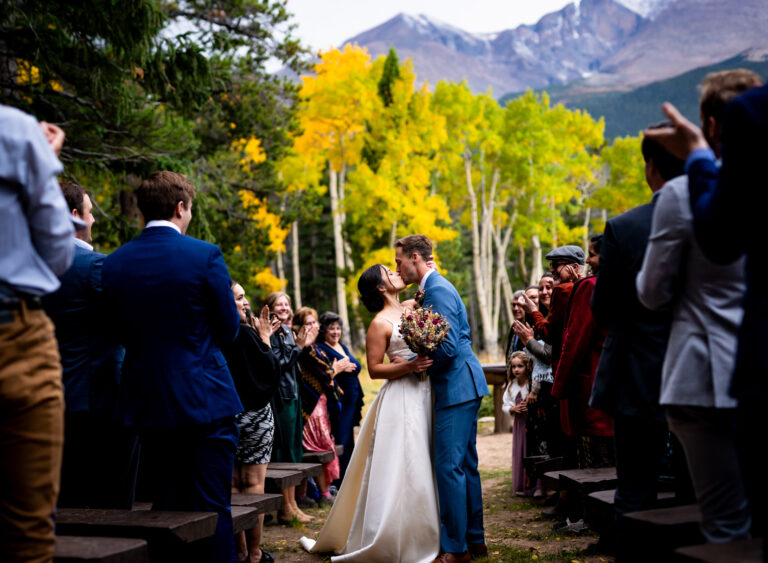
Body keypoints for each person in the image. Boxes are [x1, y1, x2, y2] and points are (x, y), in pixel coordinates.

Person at [636, 70, 760, 544]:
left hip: (703, 371)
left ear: (709, 125)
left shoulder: (683, 194)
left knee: (726, 524)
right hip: (758, 368)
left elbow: (651, 292)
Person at [102, 170, 242, 562]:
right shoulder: (204, 256)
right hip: (204, 402)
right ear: (181, 207)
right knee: (212, 507)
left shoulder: (114, 264)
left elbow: (114, 330)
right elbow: (230, 329)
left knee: (162, 508)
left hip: (145, 402)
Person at [589, 127, 685, 559]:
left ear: (650, 168)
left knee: (635, 487)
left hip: (637, 374)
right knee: (704, 486)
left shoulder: (625, 227)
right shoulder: (722, 216)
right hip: (706, 370)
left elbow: (603, 309)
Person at [301, 264, 438, 562]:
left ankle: (431, 529)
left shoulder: (409, 307)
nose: (395, 272)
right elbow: (375, 369)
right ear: (380, 286)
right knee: (403, 463)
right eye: (389, 272)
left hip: (425, 393)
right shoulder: (379, 323)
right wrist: (410, 366)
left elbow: (426, 290)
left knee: (425, 458)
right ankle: (392, 534)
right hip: (400, 396)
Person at [1, 105, 74, 563]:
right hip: (14, 338)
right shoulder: (13, 129)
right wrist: (40, 160)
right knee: (27, 531)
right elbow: (55, 249)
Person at [42, 181, 139, 510]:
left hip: (47, 398)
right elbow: (129, 325)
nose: (94, 220)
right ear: (74, 216)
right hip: (100, 400)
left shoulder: (32, 267)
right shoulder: (96, 267)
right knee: (112, 500)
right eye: (90, 212)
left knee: (64, 499)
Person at [395, 235, 490, 563]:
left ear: (416, 258)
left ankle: (456, 549)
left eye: (399, 261)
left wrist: (414, 356)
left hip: (456, 386)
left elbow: (447, 348)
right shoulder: (431, 289)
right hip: (463, 384)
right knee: (465, 465)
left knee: (449, 467)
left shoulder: (436, 290)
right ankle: (475, 540)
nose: (398, 267)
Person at [222, 282, 280, 563]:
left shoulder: (216, 333)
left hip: (226, 416)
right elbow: (269, 371)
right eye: (240, 298)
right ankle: (255, 553)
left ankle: (239, 550)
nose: (246, 303)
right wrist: (266, 338)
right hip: (255, 416)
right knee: (254, 484)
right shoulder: (247, 333)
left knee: (232, 485)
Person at [554, 234, 613, 469]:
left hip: (592, 381)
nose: (588, 261)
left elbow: (575, 339)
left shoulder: (590, 287)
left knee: (593, 456)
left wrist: (560, 386)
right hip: (620, 383)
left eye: (592, 254)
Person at [267, 291, 316, 523]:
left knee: (295, 448)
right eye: (279, 304)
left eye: (287, 303)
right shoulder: (273, 332)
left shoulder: (287, 330)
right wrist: (298, 347)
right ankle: (284, 505)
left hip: (294, 394)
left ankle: (293, 503)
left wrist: (300, 346)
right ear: (270, 308)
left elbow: (294, 364)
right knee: (285, 450)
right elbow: (277, 365)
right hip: (282, 396)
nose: (285, 307)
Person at [296, 308, 343, 506]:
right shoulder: (305, 350)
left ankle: (320, 492)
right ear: (300, 328)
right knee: (317, 447)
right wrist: (336, 369)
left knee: (323, 446)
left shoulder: (316, 348)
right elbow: (324, 375)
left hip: (321, 406)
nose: (313, 326)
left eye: (314, 322)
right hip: (310, 407)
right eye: (308, 323)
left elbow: (326, 373)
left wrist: (331, 371)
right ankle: (315, 493)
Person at [315, 311, 364, 486]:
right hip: (338, 402)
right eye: (331, 329)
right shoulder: (321, 348)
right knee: (340, 438)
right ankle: (336, 480)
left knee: (349, 438)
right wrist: (339, 368)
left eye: (338, 328)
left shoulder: (342, 346)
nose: (335, 332)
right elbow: (323, 374)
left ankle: (348, 478)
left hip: (351, 401)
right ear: (324, 331)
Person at [503, 351, 534, 496]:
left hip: (532, 424)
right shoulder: (511, 386)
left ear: (527, 366)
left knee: (531, 450)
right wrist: (512, 408)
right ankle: (522, 485)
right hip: (519, 425)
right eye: (514, 366)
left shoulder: (531, 385)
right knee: (520, 451)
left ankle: (536, 487)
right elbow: (504, 405)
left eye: (520, 366)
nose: (516, 370)